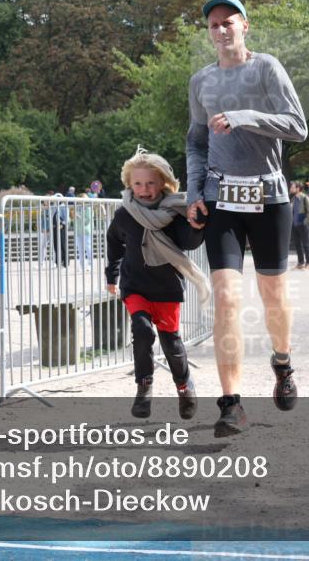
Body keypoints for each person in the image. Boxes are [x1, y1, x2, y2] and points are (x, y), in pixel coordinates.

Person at [185, 0, 307, 437]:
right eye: (213, 25)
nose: (220, 31)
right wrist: (195, 192)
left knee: (273, 295)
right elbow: (196, 143)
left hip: (269, 194)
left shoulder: (267, 68)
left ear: (245, 26)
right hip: (222, 199)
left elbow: (297, 126)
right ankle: (231, 403)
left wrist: (243, 116)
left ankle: (283, 361)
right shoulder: (201, 81)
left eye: (228, 23)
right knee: (227, 298)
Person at [106, 149, 206, 420]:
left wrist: (197, 226)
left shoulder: (174, 212)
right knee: (141, 330)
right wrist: (111, 275)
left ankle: (185, 387)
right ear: (129, 184)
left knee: (171, 342)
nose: (144, 189)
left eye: (150, 183)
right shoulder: (124, 213)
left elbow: (188, 243)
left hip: (166, 286)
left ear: (163, 183)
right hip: (134, 284)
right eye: (137, 183)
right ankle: (144, 388)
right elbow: (114, 241)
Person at [289, 181, 309, 270]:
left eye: (292, 187)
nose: (291, 189)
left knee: (306, 244)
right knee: (297, 245)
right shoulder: (293, 199)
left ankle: (308, 263)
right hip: (295, 225)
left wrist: (305, 222)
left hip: (303, 225)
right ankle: (300, 263)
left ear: (298, 188)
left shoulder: (305, 198)